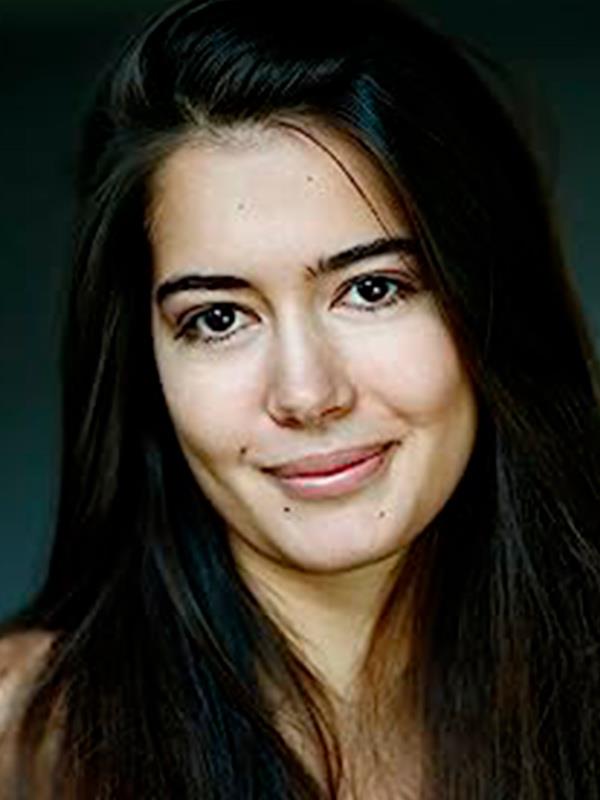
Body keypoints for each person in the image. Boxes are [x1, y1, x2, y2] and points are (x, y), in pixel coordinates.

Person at [1, 0, 599, 796]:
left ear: (490, 301)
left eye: (373, 289)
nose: (307, 393)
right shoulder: (25, 738)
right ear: (146, 364)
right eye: (218, 318)